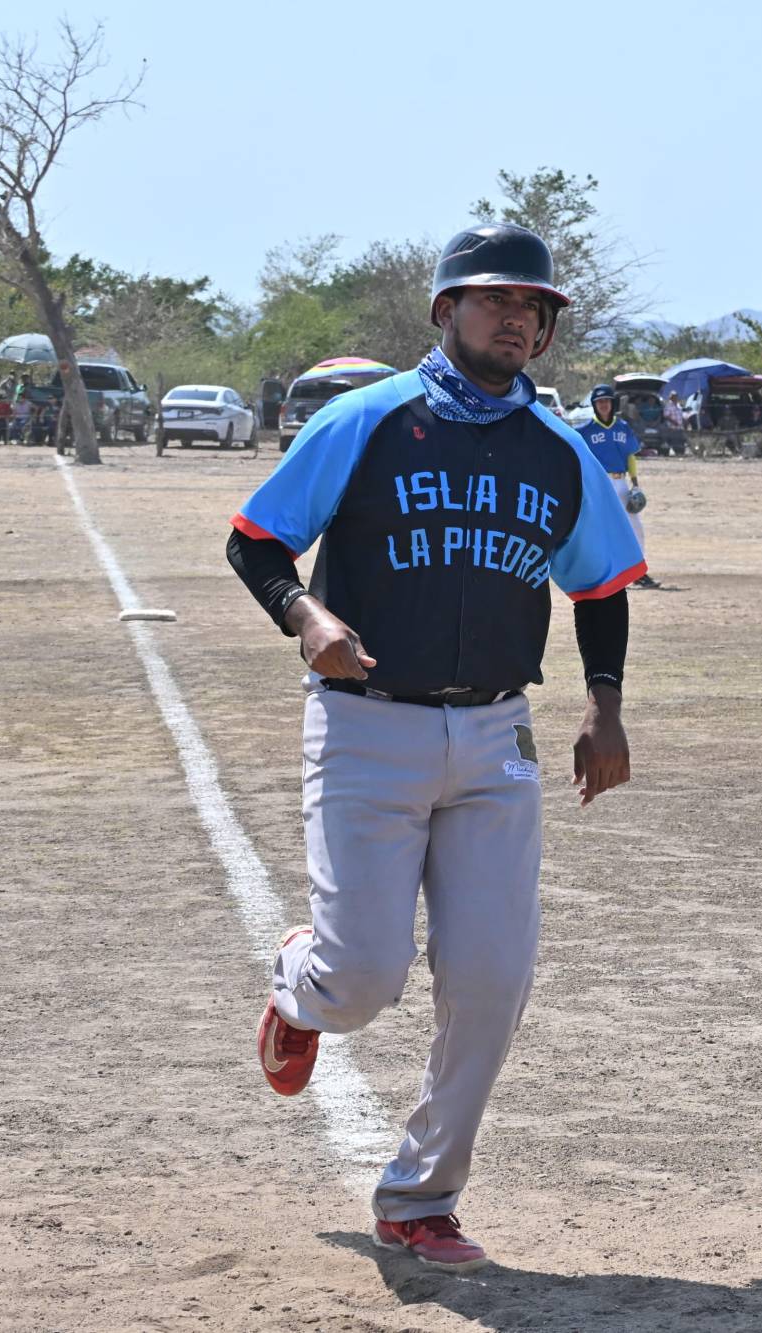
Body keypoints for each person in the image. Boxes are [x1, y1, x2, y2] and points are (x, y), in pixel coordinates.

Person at [224, 222, 645, 1273]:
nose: (518, 317)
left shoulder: (558, 450)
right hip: (368, 726)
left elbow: (597, 585)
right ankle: (300, 983)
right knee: (363, 977)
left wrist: (605, 703)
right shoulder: (366, 420)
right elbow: (255, 537)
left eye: (534, 306)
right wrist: (303, 614)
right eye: (495, 298)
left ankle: (421, 1197)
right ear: (442, 311)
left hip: (499, 736)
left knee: (493, 975)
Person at [580, 383, 661, 590]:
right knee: (601, 529)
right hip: (599, 485)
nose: (603, 405)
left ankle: (638, 572)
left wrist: (635, 485)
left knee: (636, 528)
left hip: (620, 482)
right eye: (599, 402)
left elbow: (630, 456)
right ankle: (605, 573)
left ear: (612, 403)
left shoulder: (622, 428)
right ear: (594, 405)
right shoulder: (585, 431)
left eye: (606, 401)